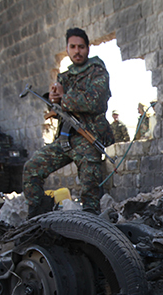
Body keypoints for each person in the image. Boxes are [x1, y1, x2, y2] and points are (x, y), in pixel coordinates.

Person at [22, 27, 113, 218]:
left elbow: (96, 101)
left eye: (81, 47)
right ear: (67, 48)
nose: (77, 51)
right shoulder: (65, 76)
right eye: (72, 47)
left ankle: (92, 223)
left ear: (88, 48)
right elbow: (60, 110)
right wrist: (53, 101)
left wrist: (64, 97)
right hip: (65, 137)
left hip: (88, 136)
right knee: (32, 168)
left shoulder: (97, 71)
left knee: (90, 183)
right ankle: (38, 216)